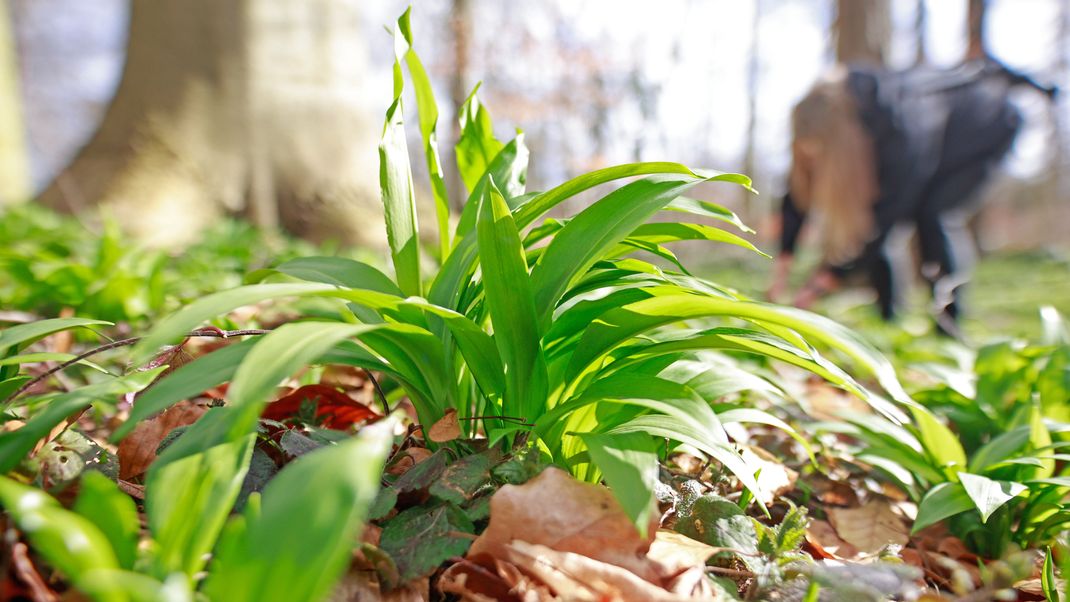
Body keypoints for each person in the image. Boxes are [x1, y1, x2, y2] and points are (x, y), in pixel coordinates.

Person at [768, 56, 1057, 335]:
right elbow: (800, 189)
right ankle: (889, 320)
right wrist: (783, 262)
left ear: (839, 140)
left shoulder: (899, 121)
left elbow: (885, 219)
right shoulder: (834, 115)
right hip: (935, 138)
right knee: (883, 216)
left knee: (934, 213)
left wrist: (825, 280)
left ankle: (949, 324)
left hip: (986, 123)